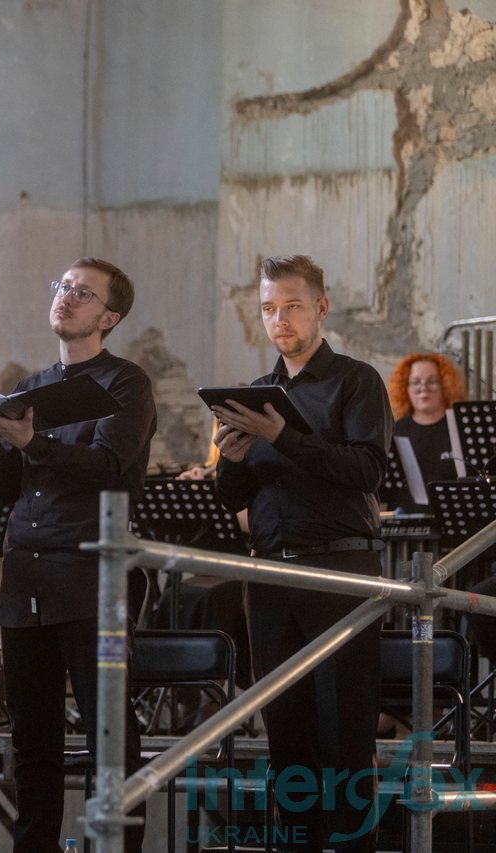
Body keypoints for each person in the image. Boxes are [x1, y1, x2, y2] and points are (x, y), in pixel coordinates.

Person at [0, 258, 155, 853]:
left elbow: (106, 467)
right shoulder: (31, 388)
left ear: (109, 317)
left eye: (83, 293)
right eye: (63, 287)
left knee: (109, 737)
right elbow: (8, 490)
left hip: (92, 574)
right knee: (32, 741)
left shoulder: (126, 384)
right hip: (26, 574)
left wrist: (29, 439)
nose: (66, 297)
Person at [212, 254, 391, 853]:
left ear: (321, 307)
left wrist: (281, 437)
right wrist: (231, 460)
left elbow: (366, 471)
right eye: (268, 308)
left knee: (344, 734)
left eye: (291, 306)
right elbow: (236, 497)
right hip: (268, 572)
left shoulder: (356, 380)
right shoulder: (255, 394)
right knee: (285, 733)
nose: (279, 319)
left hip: (339, 568)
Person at [384, 352, 467, 512]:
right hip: (406, 522)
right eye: (415, 382)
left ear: (445, 386)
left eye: (432, 381)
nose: (423, 387)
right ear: (405, 388)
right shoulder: (394, 430)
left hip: (457, 519)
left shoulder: (462, 428)